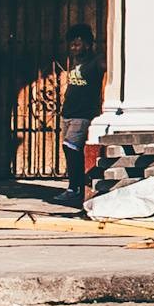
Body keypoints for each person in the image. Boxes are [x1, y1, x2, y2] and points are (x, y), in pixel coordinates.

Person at [56, 26, 105, 201]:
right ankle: (75, 185)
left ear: (88, 45)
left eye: (78, 44)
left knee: (71, 147)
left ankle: (74, 188)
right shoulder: (75, 62)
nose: (74, 48)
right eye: (72, 45)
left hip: (84, 113)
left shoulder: (96, 61)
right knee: (69, 149)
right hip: (68, 111)